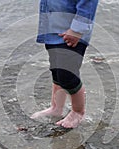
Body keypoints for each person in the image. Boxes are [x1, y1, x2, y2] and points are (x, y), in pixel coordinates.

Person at [31, 0, 98, 128]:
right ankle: (56, 108)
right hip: (53, 29)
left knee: (67, 75)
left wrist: (77, 29)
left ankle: (78, 112)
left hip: (72, 33)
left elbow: (88, 3)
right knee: (56, 71)